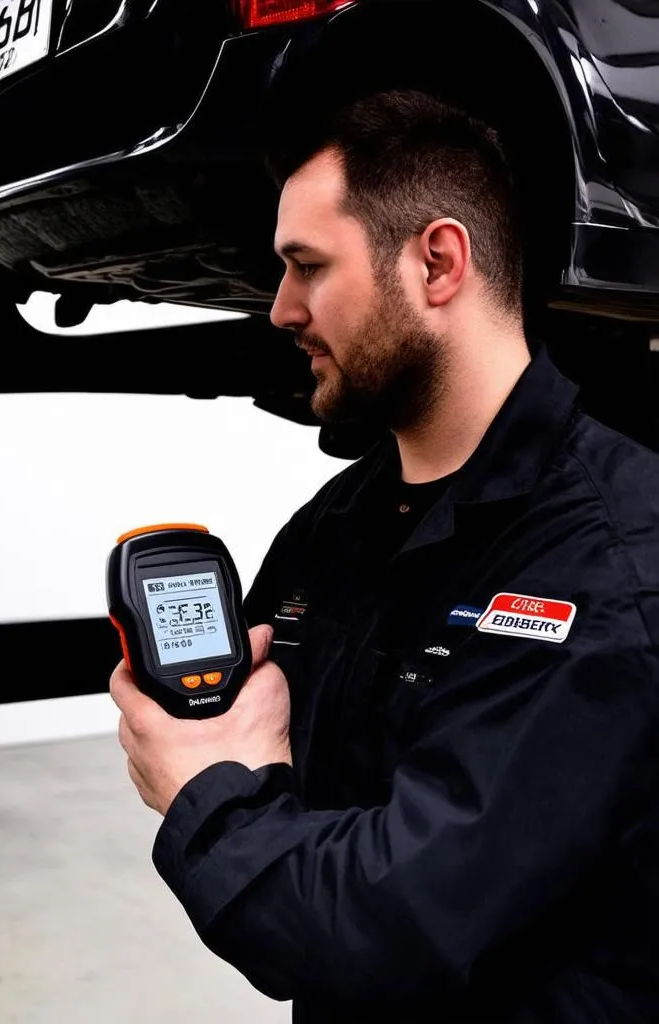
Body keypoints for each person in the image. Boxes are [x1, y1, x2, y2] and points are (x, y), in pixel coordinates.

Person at [109, 89, 659, 1021]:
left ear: (438, 262)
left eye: (307, 267)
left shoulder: (610, 563)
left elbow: (390, 928)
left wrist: (205, 794)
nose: (279, 308)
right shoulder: (332, 530)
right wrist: (227, 738)